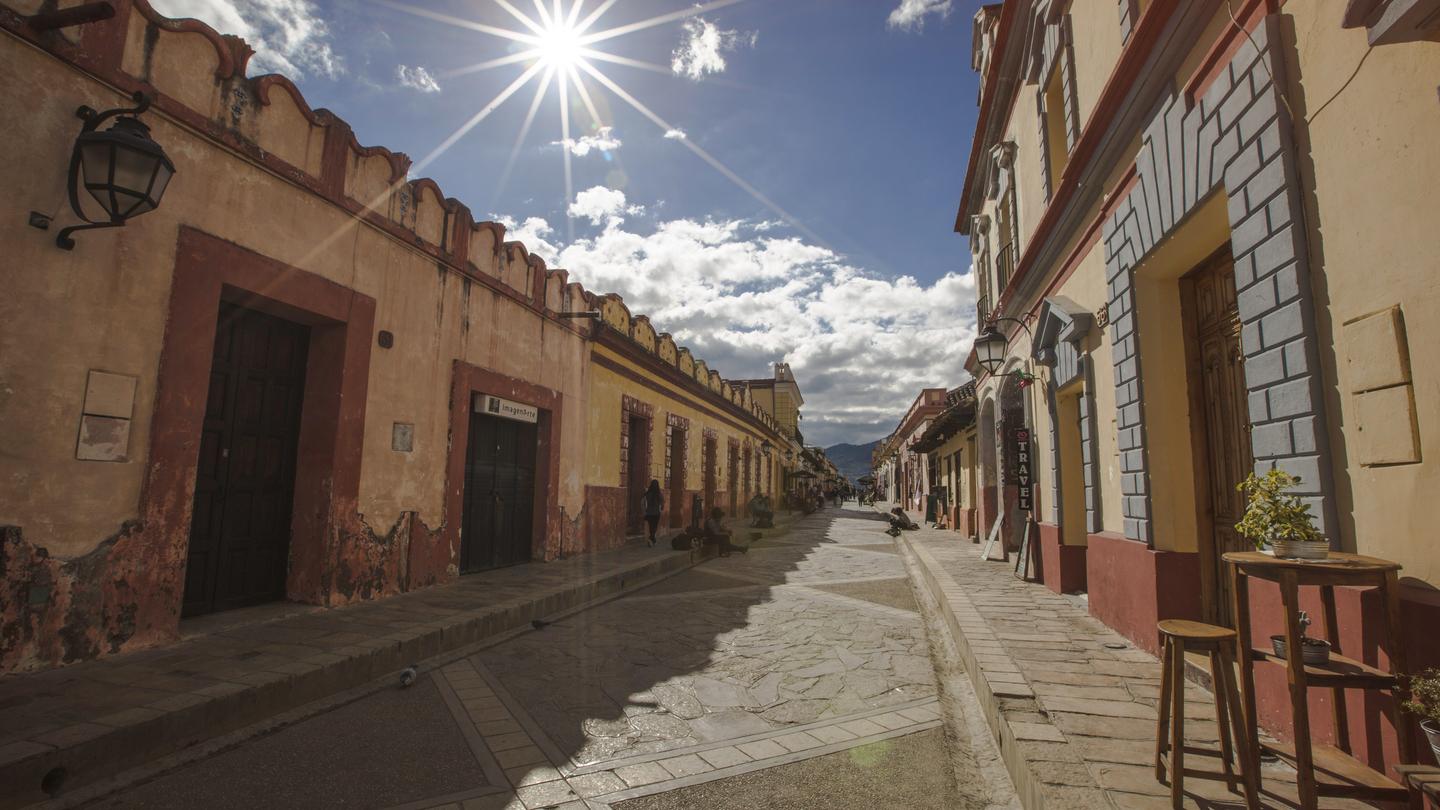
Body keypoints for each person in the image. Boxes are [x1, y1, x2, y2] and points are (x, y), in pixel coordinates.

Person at [642, 479, 664, 547]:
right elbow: (662, 503)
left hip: (649, 512)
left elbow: (643, 502)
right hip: (656, 513)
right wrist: (661, 508)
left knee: (651, 526)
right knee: (654, 526)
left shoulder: (648, 494)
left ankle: (652, 539)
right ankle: (652, 538)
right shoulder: (659, 494)